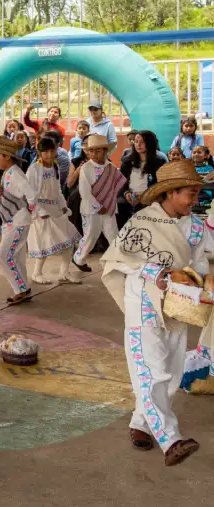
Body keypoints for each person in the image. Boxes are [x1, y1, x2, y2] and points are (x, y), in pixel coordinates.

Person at [100, 160, 206, 466]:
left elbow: (199, 263)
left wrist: (197, 281)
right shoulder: (141, 222)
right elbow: (117, 260)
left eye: (198, 193)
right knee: (150, 371)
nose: (195, 199)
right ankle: (170, 440)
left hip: (179, 305)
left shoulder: (196, 227)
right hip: (143, 301)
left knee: (171, 372)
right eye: (190, 192)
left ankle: (140, 423)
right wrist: (159, 274)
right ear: (170, 192)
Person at [25, 137, 80, 285]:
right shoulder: (34, 169)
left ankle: (64, 272)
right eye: (46, 152)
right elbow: (29, 194)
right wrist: (39, 211)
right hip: (41, 212)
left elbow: (57, 190)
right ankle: (37, 273)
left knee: (69, 240)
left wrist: (63, 205)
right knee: (43, 243)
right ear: (39, 152)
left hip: (55, 209)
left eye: (52, 151)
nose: (49, 154)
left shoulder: (55, 166)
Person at [0, 137, 34, 304]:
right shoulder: (9, 173)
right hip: (12, 221)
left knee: (4, 255)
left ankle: (20, 289)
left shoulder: (16, 174)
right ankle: (24, 288)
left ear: (6, 156)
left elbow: (31, 195)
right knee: (16, 257)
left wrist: (30, 212)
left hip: (18, 221)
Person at [71, 134, 124, 273]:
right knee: (90, 236)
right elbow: (84, 191)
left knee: (113, 234)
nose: (93, 154)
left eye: (98, 151)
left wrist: (108, 204)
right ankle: (78, 259)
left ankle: (117, 262)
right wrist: (98, 206)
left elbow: (114, 188)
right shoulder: (85, 168)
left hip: (108, 207)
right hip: (90, 209)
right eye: (91, 151)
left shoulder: (111, 167)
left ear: (105, 151)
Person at [118, 130, 167, 229]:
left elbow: (161, 185)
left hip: (151, 197)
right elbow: (121, 182)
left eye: (142, 142)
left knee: (149, 209)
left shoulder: (159, 161)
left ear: (150, 143)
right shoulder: (127, 161)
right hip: (130, 196)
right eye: (136, 141)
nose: (138, 145)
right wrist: (126, 193)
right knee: (119, 206)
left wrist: (146, 196)